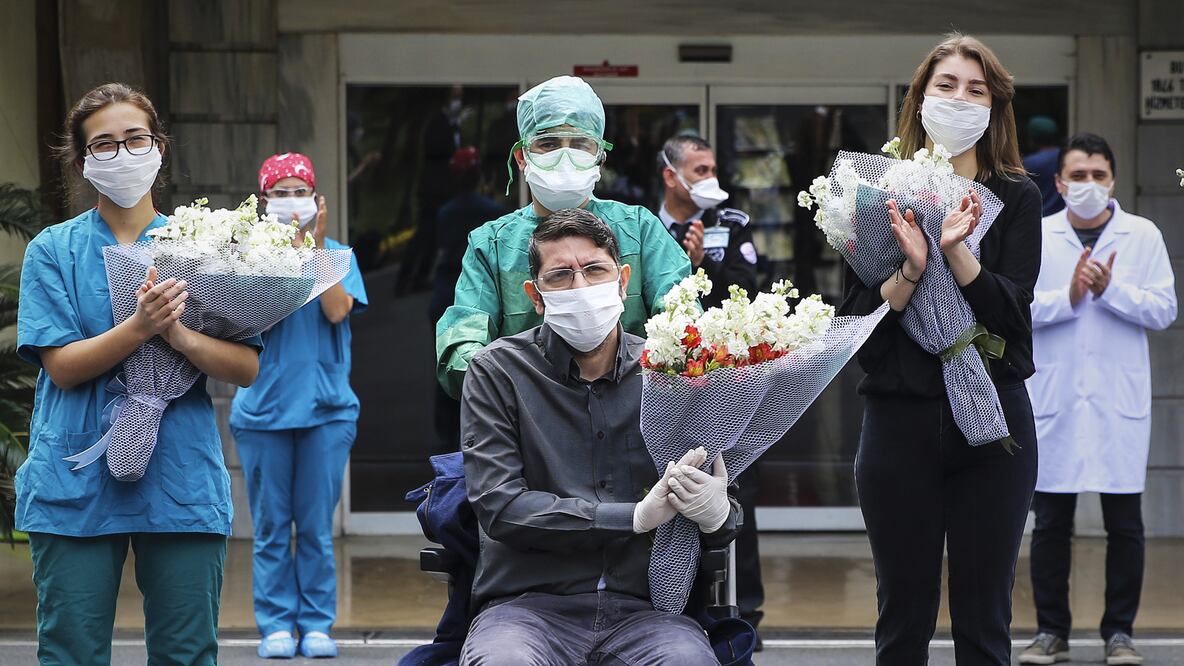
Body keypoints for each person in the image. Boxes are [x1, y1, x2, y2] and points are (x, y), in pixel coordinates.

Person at [14, 82, 261, 665]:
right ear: (81, 161)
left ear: (160, 147)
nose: (122, 155)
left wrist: (178, 334)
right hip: (74, 478)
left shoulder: (205, 247)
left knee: (186, 652)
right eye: (103, 145)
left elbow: (245, 367)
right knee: (71, 650)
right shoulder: (54, 251)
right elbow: (63, 368)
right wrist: (141, 327)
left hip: (178, 474)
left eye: (135, 139)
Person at [458, 207, 741, 665]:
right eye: (560, 276)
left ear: (623, 281)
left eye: (594, 270)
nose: (581, 287)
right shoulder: (498, 372)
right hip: (527, 610)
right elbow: (501, 507)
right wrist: (630, 517)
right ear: (535, 295)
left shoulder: (670, 372)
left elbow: (723, 516)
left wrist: (717, 512)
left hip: (648, 611)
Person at [839, 34, 1042, 665]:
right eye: (946, 86)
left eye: (976, 90)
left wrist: (958, 254)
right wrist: (909, 269)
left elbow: (1013, 321)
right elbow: (858, 331)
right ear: (921, 99)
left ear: (994, 106)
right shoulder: (878, 193)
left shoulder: (1017, 196)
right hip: (900, 424)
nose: (960, 100)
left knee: (985, 621)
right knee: (903, 616)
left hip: (992, 428)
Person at [1019, 133, 1177, 666]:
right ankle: (1051, 633)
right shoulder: (1038, 235)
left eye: (1099, 175)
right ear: (1059, 184)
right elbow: (1016, 310)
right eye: (1078, 176)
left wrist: (1111, 291)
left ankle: (1119, 634)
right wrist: (1070, 296)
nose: (1088, 185)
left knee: (1124, 523)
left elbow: (1163, 309)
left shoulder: (1142, 234)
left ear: (1112, 179)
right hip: (1056, 398)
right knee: (1051, 523)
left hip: (1116, 399)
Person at [434, 75, 691, 401]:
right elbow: (463, 343)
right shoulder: (492, 245)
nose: (565, 157)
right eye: (548, 143)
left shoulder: (639, 229)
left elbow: (682, 320)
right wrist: (510, 384)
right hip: (529, 421)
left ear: (600, 157)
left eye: (581, 145)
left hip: (632, 415)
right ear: (522, 157)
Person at [230, 153, 369, 659]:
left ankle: (315, 623)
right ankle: (274, 624)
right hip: (263, 415)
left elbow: (336, 310)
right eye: (280, 193)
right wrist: (279, 256)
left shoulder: (337, 256)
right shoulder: (246, 259)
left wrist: (311, 250)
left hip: (326, 414)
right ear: (263, 200)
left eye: (300, 191)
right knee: (269, 528)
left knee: (313, 528)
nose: (291, 202)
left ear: (318, 200)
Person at [658, 133, 766, 641]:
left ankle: (744, 612)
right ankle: (669, 603)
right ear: (670, 175)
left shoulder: (732, 223)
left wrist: (705, 268)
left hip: (726, 383)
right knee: (669, 493)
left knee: (733, 491)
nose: (709, 179)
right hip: (664, 386)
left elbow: (754, 288)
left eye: (712, 168)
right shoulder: (641, 228)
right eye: (699, 170)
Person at [428, 147, 506, 453]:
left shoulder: (445, 212)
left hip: (446, 289)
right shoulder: (493, 214)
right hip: (467, 290)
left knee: (449, 361)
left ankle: (448, 439)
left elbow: (441, 246)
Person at [1022, 116, 1065, 216]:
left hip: (1040, 218)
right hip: (1063, 216)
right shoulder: (1067, 158)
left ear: (1032, 138)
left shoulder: (1029, 163)